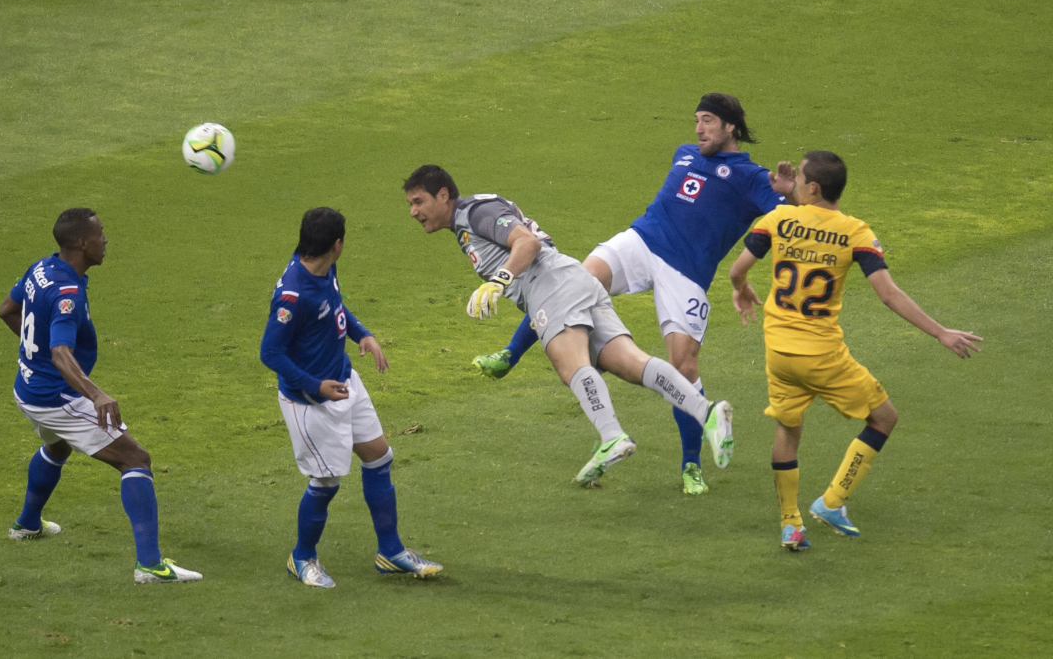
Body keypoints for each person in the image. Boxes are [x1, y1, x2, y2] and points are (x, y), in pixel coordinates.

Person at [473, 93, 798, 495]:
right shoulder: (684, 153)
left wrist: (791, 193)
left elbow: (797, 217)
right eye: (696, 120)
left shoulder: (752, 177)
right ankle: (509, 354)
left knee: (684, 365)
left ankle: (691, 465)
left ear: (731, 127)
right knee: (575, 281)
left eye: (708, 121)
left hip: (687, 271)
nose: (698, 129)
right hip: (641, 242)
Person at [405, 165, 733, 488]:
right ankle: (707, 412)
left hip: (550, 284)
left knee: (571, 366)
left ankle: (612, 436)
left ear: (443, 195)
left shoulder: (474, 210)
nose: (413, 211)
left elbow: (527, 243)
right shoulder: (469, 218)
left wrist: (499, 280)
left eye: (418, 201)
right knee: (631, 363)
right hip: (571, 280)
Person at [727, 151, 982, 551]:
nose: (791, 180)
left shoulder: (776, 220)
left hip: (778, 351)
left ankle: (790, 524)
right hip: (823, 357)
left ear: (812, 188)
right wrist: (940, 332)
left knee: (787, 429)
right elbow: (888, 294)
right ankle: (832, 502)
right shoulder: (855, 232)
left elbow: (737, 270)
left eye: (799, 178)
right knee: (884, 418)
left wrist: (742, 291)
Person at [0, 208, 201, 584]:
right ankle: (151, 566)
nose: (105, 240)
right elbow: (61, 354)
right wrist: (96, 394)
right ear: (81, 242)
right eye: (100, 234)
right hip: (56, 398)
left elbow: (7, 310)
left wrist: (38, 358)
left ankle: (26, 525)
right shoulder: (67, 292)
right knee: (135, 458)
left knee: (58, 447)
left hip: (27, 389)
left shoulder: (41, 267)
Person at [260, 207, 442, 589]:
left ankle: (390, 552)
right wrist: (315, 385)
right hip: (310, 401)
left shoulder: (323, 267)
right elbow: (270, 354)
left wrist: (362, 334)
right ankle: (302, 557)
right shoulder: (293, 296)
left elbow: (335, 309)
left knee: (379, 457)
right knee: (325, 483)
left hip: (344, 382)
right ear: (337, 245)